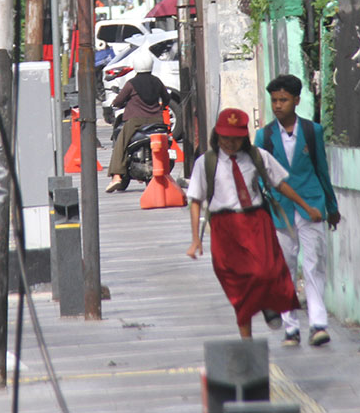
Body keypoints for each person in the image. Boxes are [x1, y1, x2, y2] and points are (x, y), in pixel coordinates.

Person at [186, 107, 322, 338]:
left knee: (265, 270)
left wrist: (306, 206)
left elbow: (279, 184)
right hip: (224, 227)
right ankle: (246, 338)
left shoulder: (258, 157)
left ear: (244, 138)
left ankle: (270, 305)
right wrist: (195, 240)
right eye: (225, 138)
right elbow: (195, 199)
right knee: (236, 283)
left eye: (236, 139)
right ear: (216, 136)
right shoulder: (205, 162)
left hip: (255, 222)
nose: (230, 143)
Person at [256, 74, 340, 346]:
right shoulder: (264, 136)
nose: (278, 105)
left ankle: (318, 324)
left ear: (296, 101)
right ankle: (291, 328)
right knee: (286, 267)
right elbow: (260, 175)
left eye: (283, 100)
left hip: (312, 205)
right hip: (280, 209)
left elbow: (322, 170)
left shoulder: (312, 131)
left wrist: (331, 206)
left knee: (314, 264)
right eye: (274, 100)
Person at [106, 52, 171, 193]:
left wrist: (116, 103)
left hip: (136, 121)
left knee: (120, 144)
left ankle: (116, 176)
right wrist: (161, 106)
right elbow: (166, 98)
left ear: (135, 66)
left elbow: (118, 101)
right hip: (156, 120)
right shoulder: (157, 81)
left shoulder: (131, 84)